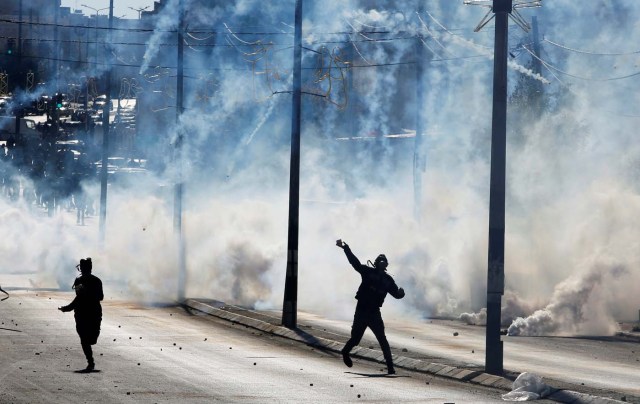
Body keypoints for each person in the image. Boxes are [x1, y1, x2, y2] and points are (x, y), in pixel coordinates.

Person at [336, 239, 405, 375]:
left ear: (386, 265)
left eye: (384, 261)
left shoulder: (388, 280)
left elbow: (396, 294)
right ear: (376, 263)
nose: (382, 263)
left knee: (382, 340)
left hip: (374, 312)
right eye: (380, 260)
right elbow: (355, 263)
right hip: (362, 309)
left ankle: (390, 367)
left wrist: (401, 294)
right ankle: (345, 352)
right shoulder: (367, 272)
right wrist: (346, 248)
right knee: (355, 338)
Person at [59, 258, 103, 372]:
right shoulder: (97, 280)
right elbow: (101, 297)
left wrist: (67, 308)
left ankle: (90, 361)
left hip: (84, 313)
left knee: (86, 340)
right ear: (90, 268)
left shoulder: (80, 280)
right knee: (87, 339)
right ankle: (91, 362)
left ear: (82, 268)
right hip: (92, 312)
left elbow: (79, 298)